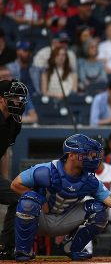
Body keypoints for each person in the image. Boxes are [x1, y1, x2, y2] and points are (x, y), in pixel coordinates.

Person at [10, 134, 111, 261]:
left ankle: (73, 247)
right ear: (71, 155)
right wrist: (41, 200)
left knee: (99, 209)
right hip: (40, 218)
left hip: (65, 220)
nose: (92, 158)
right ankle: (23, 250)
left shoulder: (90, 180)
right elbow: (15, 184)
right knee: (29, 200)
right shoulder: (47, 170)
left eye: (92, 154)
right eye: (86, 154)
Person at [0, 79, 28, 260]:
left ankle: (6, 247)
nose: (18, 101)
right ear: (1, 99)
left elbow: (4, 152)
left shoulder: (14, 122)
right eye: (14, 97)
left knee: (20, 196)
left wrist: (5, 180)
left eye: (20, 98)